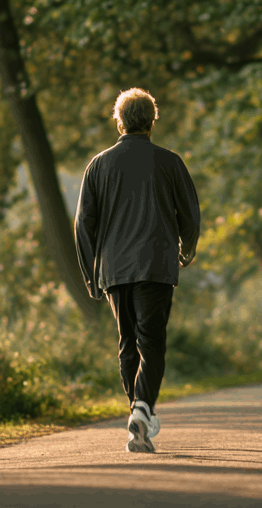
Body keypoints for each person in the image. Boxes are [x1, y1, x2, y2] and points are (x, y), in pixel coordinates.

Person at [74, 87, 201, 454]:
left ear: (119, 121)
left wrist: (90, 274)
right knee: (152, 344)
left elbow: (84, 225)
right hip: (156, 266)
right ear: (152, 121)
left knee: (128, 345)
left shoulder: (98, 165)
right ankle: (142, 411)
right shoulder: (170, 162)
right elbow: (189, 214)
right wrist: (187, 248)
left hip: (114, 270)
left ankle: (138, 420)